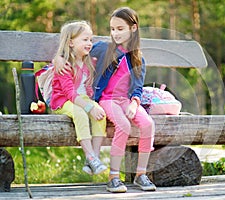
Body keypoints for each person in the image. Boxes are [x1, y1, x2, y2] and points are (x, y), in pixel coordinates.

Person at [90, 7, 156, 193]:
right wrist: (61, 59)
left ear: (133, 28)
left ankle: (141, 174)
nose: (115, 33)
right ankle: (113, 177)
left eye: (120, 29)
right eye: (112, 29)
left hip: (125, 100)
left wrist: (135, 104)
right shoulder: (105, 48)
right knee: (124, 126)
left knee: (148, 124)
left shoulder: (137, 59)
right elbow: (80, 52)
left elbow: (137, 88)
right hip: (107, 99)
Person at [50, 21, 107, 176]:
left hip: (82, 99)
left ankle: (94, 158)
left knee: (100, 114)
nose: (89, 43)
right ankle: (90, 156)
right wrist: (89, 107)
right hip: (63, 101)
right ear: (70, 43)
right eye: (84, 40)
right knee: (80, 113)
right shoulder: (64, 64)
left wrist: (93, 106)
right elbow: (69, 93)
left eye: (90, 40)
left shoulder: (89, 61)